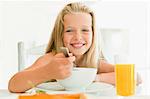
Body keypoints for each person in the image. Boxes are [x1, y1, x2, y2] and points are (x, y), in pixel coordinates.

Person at [8, 2, 141, 93]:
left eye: (85, 30)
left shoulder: (92, 63)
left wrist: (94, 78)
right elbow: (13, 85)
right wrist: (48, 71)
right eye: (69, 31)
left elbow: (136, 77)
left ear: (94, 34)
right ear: (60, 34)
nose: (78, 37)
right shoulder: (52, 60)